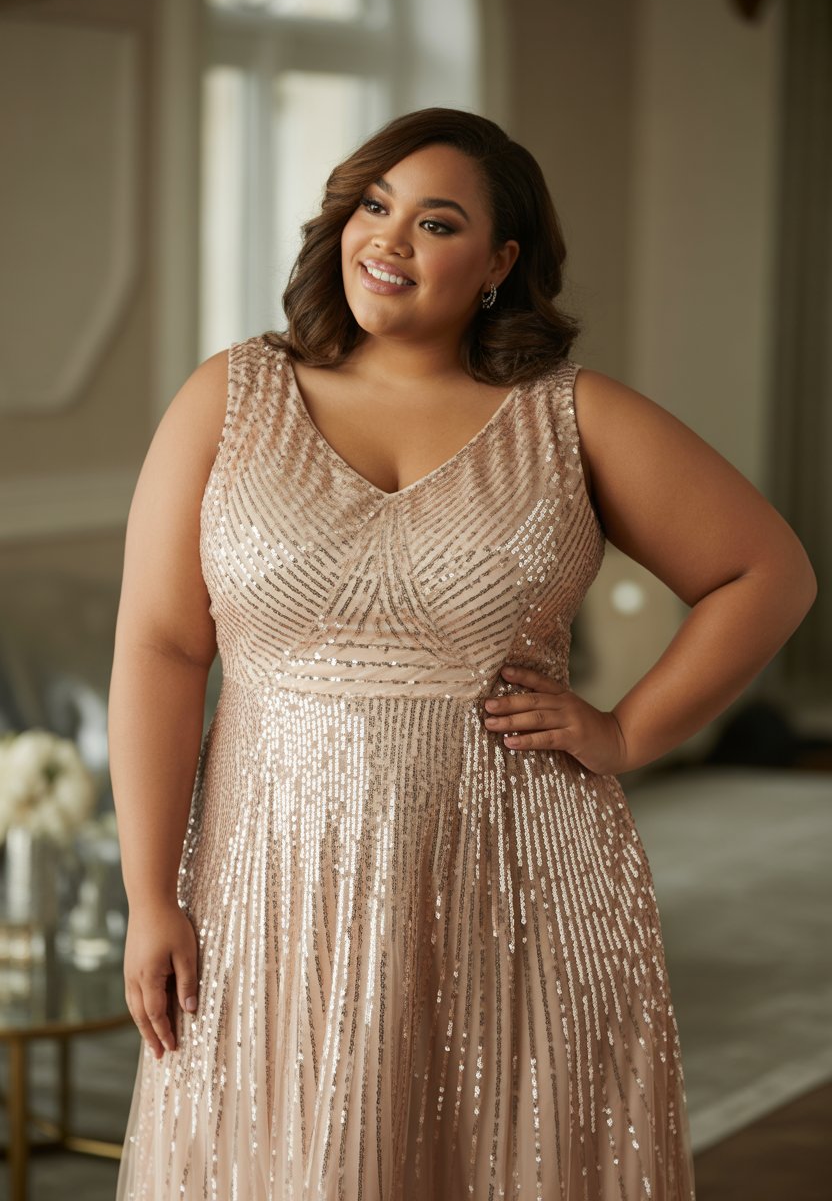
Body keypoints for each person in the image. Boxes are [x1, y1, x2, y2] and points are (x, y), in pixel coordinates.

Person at [109, 107, 816, 1200]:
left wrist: (627, 730)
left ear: (499, 262)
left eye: (435, 223)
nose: (388, 240)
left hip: (521, 882)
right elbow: (161, 647)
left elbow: (768, 573)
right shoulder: (230, 396)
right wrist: (150, 893)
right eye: (373, 205)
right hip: (269, 887)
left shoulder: (569, 418)